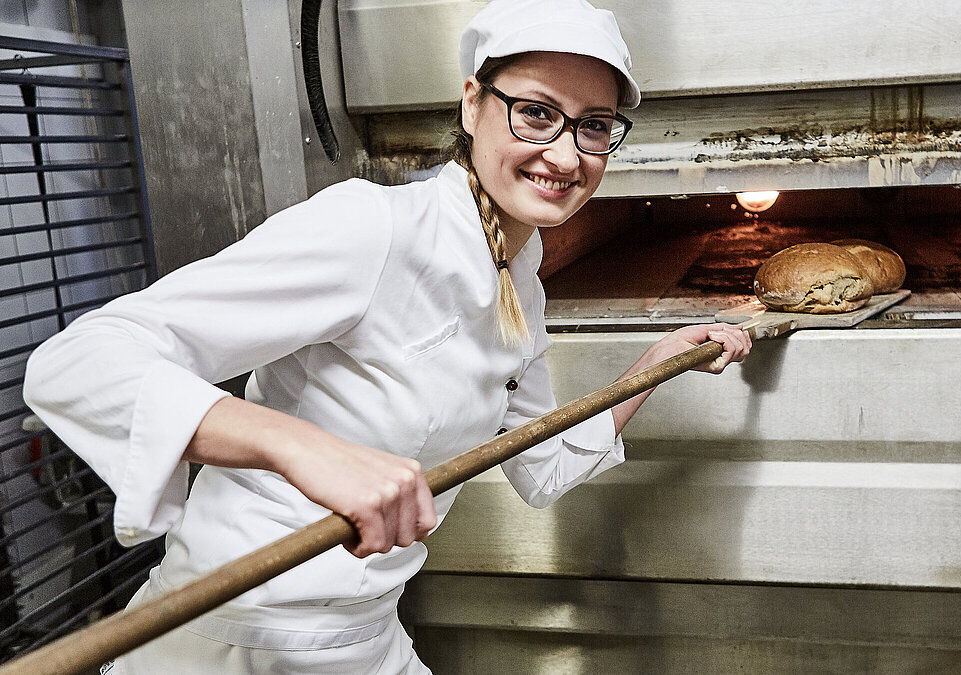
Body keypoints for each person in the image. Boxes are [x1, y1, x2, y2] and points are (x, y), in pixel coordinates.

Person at [23, 0, 751, 672]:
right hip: (239, 634)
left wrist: (656, 365)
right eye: (535, 113)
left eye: (593, 124)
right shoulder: (374, 230)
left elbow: (545, 465)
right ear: (473, 104)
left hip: (364, 637)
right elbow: (79, 362)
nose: (566, 156)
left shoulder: (517, 282)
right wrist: (300, 447)